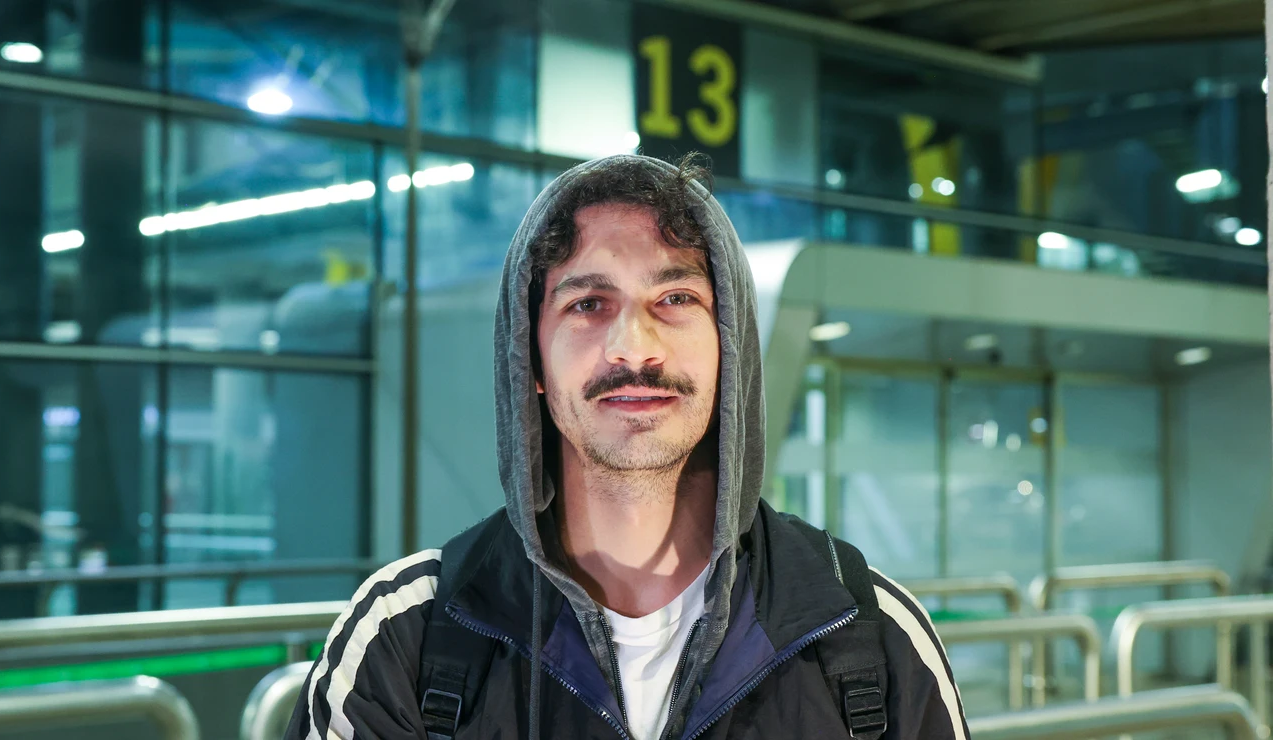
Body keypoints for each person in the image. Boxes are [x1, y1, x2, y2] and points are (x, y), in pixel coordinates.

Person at [286, 154, 968, 740]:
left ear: (729, 349)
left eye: (674, 298)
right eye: (588, 304)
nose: (634, 348)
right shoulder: (408, 637)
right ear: (532, 364)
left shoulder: (865, 636)